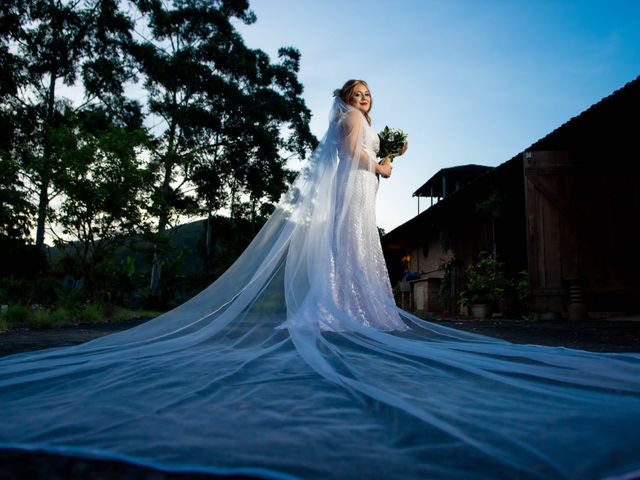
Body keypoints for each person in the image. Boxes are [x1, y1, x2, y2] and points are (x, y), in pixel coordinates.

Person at [1, 80, 640, 480]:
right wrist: (391, 163)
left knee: (352, 255)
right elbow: (368, 165)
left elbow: (354, 163)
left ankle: (341, 307)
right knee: (349, 257)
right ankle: (341, 311)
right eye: (357, 95)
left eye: (368, 97)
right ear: (347, 99)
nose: (362, 102)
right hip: (352, 208)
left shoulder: (344, 124)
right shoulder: (353, 128)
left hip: (348, 209)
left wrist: (380, 161)